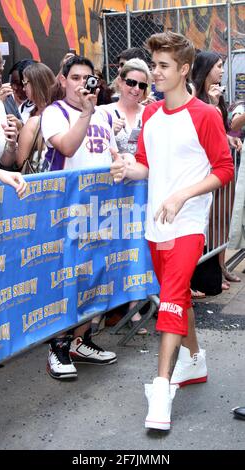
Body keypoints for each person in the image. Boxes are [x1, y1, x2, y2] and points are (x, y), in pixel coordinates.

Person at [110, 31, 234, 431]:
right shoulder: (149, 115)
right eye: (153, 66)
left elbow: (224, 169)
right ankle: (194, 360)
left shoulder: (205, 115)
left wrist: (183, 194)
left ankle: (161, 388)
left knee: (171, 300)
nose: (155, 74)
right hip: (155, 224)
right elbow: (146, 165)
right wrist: (127, 168)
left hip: (188, 223)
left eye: (163, 67)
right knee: (174, 297)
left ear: (183, 70)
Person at [41, 55, 117, 380]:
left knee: (94, 277)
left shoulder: (102, 115)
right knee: (69, 279)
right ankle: (58, 346)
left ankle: (80, 340)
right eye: (75, 77)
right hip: (66, 211)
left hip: (100, 211)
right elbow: (68, 148)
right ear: (62, 80)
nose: (82, 84)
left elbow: (112, 154)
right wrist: (86, 112)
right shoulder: (53, 113)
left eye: (88, 78)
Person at [97, 58, 151, 335]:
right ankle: (98, 312)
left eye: (142, 85)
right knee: (107, 250)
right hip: (109, 194)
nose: (136, 89)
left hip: (141, 194)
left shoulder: (152, 113)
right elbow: (91, 150)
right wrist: (109, 136)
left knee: (135, 249)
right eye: (131, 82)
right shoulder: (102, 112)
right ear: (119, 81)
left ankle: (134, 310)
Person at [192, 51, 241, 293]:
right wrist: (209, 104)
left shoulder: (218, 93)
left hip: (221, 166)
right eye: (219, 66)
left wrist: (230, 139)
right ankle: (206, 271)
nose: (222, 70)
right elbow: (197, 132)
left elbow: (221, 130)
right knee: (207, 221)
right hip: (203, 172)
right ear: (206, 68)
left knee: (221, 220)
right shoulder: (194, 96)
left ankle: (220, 266)